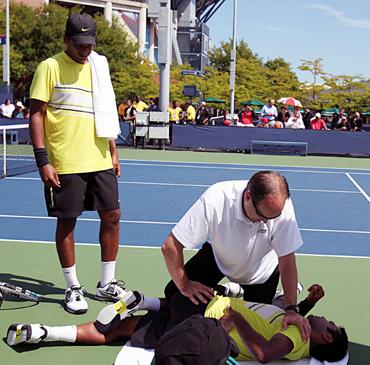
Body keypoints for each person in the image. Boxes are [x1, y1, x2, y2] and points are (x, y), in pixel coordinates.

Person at [29, 13, 128, 315]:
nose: (86, 50)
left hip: (99, 157)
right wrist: (43, 160)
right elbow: (36, 114)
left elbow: (105, 111)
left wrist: (113, 150)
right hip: (65, 161)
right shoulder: (50, 67)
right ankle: (73, 286)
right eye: (79, 44)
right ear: (66, 40)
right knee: (68, 222)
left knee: (112, 215)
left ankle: (107, 283)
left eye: (90, 44)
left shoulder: (99, 66)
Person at [6, 284, 348, 363]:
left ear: (325, 336)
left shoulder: (296, 336)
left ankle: (46, 333)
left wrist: (235, 319)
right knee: (157, 310)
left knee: (124, 329)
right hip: (207, 308)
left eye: (328, 321)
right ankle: (42, 332)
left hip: (206, 321)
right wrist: (306, 304)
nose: (324, 319)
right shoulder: (296, 322)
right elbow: (272, 314)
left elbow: (263, 352)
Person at [161, 170, 311, 341]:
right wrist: (185, 284)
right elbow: (170, 246)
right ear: (248, 196)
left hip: (261, 274)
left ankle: (237, 292)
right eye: (262, 216)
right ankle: (227, 291)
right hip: (220, 258)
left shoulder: (280, 208)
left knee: (258, 331)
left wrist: (291, 308)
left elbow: (287, 259)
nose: (266, 221)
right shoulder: (216, 199)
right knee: (174, 293)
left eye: (273, 217)